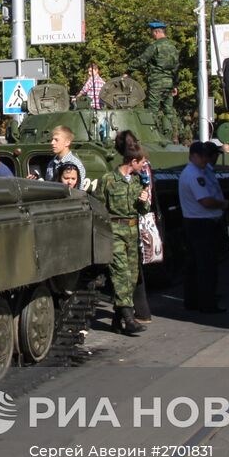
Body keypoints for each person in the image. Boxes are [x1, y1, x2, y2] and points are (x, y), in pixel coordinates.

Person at [93, 131, 150, 335]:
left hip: (133, 232)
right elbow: (99, 207)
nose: (144, 166)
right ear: (133, 161)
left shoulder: (137, 181)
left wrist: (144, 201)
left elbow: (144, 210)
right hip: (115, 230)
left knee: (132, 277)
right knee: (120, 273)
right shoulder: (108, 180)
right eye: (142, 163)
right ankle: (129, 318)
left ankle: (117, 320)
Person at [178, 140, 228, 314]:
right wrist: (222, 204)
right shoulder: (193, 174)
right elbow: (205, 201)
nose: (206, 160)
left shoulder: (200, 171)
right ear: (194, 156)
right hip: (201, 223)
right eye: (203, 156)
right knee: (206, 265)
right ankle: (207, 302)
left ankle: (193, 300)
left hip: (198, 222)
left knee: (195, 264)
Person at [128, 21, 179, 131]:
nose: (151, 34)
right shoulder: (173, 47)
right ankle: (170, 134)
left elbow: (142, 60)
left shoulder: (155, 46)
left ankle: (152, 133)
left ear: (156, 32)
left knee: (152, 111)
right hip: (169, 83)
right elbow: (176, 67)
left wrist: (128, 70)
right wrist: (175, 85)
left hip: (156, 82)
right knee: (169, 110)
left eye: (152, 32)